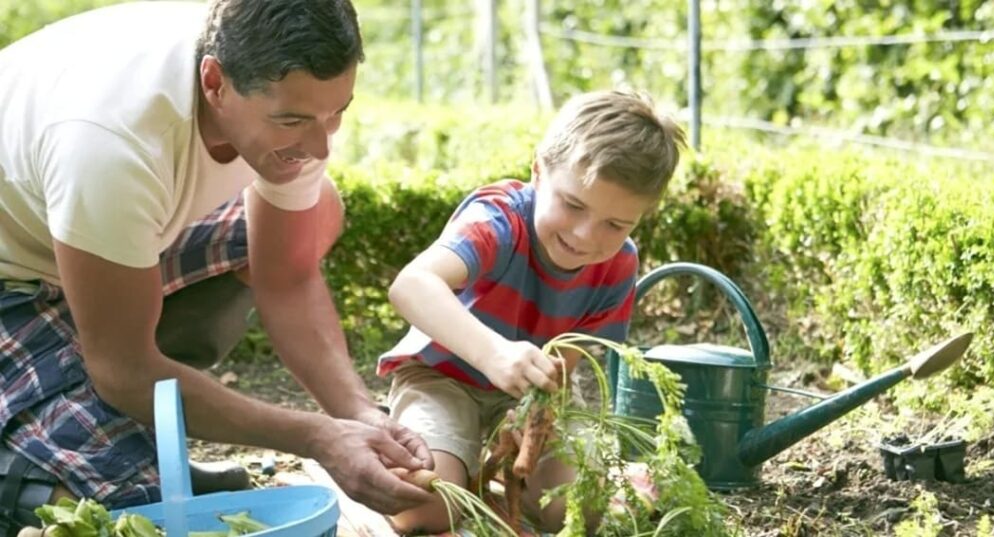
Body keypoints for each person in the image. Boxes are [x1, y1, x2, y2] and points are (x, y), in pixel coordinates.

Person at [0, 0, 435, 531]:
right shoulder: (112, 143)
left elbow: (288, 278)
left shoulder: (274, 79)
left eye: (337, 111)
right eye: (292, 120)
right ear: (214, 82)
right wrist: (316, 436)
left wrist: (358, 415)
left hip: (93, 237)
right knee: (119, 507)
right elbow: (123, 368)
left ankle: (112, 413)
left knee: (319, 210)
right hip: (12, 278)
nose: (321, 143)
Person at [378, 90, 686, 533]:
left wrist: (532, 412)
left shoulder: (619, 266)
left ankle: (488, 480)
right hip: (442, 376)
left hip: (533, 392)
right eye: (573, 204)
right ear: (538, 171)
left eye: (616, 225)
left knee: (578, 511)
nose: (584, 236)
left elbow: (565, 364)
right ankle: (460, 471)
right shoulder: (498, 220)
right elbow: (411, 285)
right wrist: (493, 354)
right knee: (422, 510)